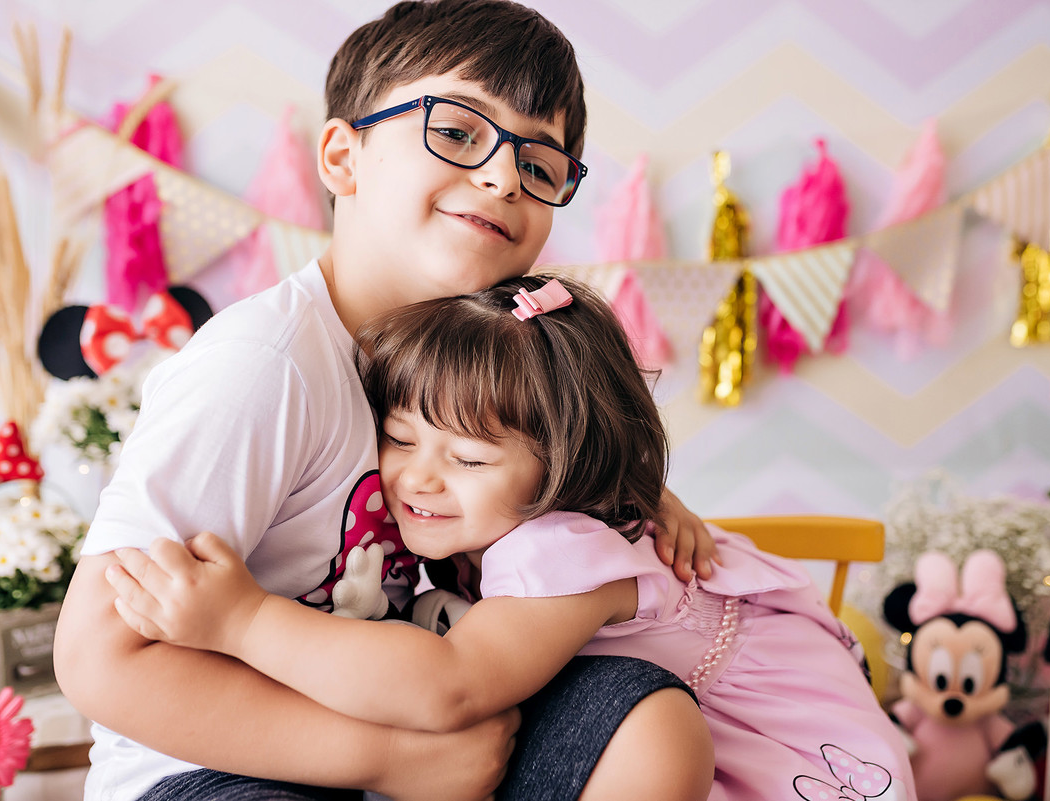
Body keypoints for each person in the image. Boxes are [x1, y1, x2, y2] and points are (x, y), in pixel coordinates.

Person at [53, 3, 716, 801]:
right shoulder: (264, 366)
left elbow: (537, 495)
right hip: (219, 768)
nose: (504, 177)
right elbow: (97, 657)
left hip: (410, 709)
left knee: (644, 717)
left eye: (540, 166)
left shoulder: (485, 364)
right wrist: (385, 757)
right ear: (343, 158)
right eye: (459, 131)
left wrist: (631, 500)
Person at [106, 275, 919, 801]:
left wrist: (243, 620)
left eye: (467, 458)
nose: (419, 478)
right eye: (399, 437)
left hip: (795, 761)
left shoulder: (556, 545)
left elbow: (449, 684)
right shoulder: (492, 517)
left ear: (561, 467)